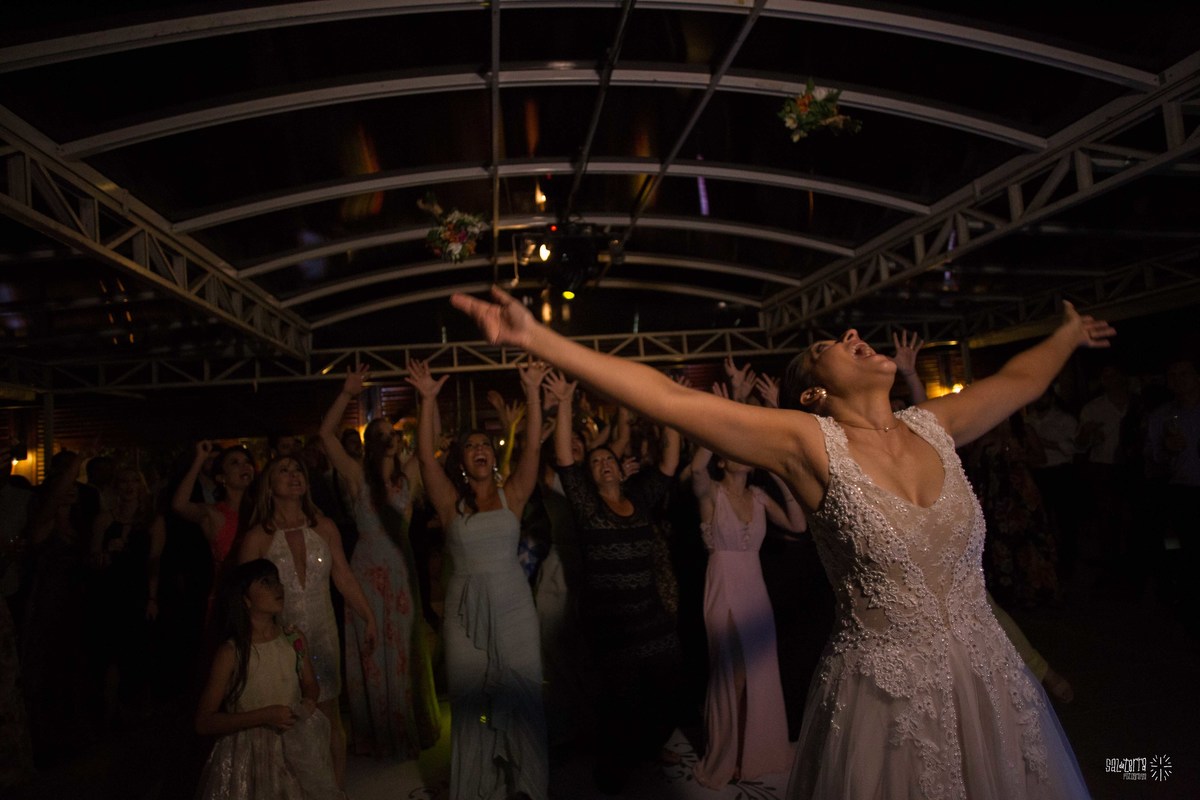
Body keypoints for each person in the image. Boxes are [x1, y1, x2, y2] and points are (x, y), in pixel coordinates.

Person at [453, 286, 1110, 799]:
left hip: (988, 676)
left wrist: (1068, 335)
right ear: (814, 391)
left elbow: (1022, 381)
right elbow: (667, 402)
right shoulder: (809, 444)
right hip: (890, 701)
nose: (853, 333)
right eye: (832, 342)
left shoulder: (934, 424)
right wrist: (539, 337)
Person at [407, 357, 549, 800]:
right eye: (471, 446)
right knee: (472, 703)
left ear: (493, 452)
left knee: (523, 696)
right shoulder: (451, 503)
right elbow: (425, 462)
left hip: (513, 606)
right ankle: (476, 787)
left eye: (485, 443)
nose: (480, 448)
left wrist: (531, 392)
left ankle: (527, 785)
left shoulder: (515, 494)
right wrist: (428, 399)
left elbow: (532, 451)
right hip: (464, 612)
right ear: (463, 461)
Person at [545, 370, 683, 792]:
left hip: (653, 621)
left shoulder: (639, 499)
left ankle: (648, 750)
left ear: (622, 472)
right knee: (619, 705)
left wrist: (671, 408)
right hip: (614, 628)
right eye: (596, 462)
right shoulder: (588, 508)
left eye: (608, 460)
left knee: (665, 692)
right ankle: (615, 776)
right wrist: (565, 401)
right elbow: (566, 460)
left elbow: (670, 461)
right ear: (592, 476)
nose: (603, 463)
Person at [318, 365, 440, 760]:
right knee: (372, 650)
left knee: (403, 650)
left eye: (393, 433)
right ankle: (376, 732)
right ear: (372, 442)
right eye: (381, 433)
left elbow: (431, 441)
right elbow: (325, 436)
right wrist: (346, 393)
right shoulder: (356, 476)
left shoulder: (408, 476)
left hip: (401, 572)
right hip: (367, 570)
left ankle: (405, 728)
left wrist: (428, 398)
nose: (389, 437)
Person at [690, 382, 806, 789]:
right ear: (723, 460)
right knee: (731, 673)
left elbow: (797, 524)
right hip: (723, 587)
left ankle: (751, 754)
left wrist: (778, 471)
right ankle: (726, 753)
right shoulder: (711, 494)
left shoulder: (758, 496)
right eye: (731, 450)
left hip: (755, 591)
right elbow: (694, 469)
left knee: (756, 673)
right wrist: (727, 408)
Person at [237, 456, 377, 789]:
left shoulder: (324, 527)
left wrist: (368, 616)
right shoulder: (258, 536)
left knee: (328, 718)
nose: (293, 475)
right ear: (269, 485)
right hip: (279, 638)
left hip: (323, 633)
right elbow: (241, 595)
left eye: (298, 469)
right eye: (283, 470)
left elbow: (343, 576)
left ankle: (334, 791)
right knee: (286, 721)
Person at [195, 558, 340, 799]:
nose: (277, 587)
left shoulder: (293, 638)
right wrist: (264, 716)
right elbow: (204, 721)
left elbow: (310, 685)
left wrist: (308, 702)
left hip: (291, 749)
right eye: (265, 583)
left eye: (277, 581)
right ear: (245, 599)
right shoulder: (232, 653)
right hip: (248, 755)